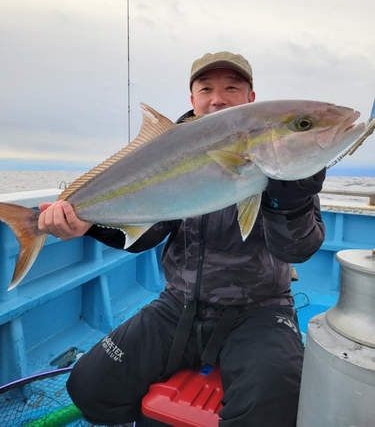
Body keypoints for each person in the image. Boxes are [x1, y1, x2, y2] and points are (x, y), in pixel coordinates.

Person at [38, 51, 326, 427]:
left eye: (231, 88)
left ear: (251, 99)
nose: (217, 98)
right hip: (178, 305)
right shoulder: (168, 156)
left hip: (261, 309)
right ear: (193, 101)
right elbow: (144, 237)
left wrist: (288, 200)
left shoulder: (286, 163)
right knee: (90, 387)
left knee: (276, 406)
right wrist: (87, 223)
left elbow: (297, 249)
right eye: (205, 89)